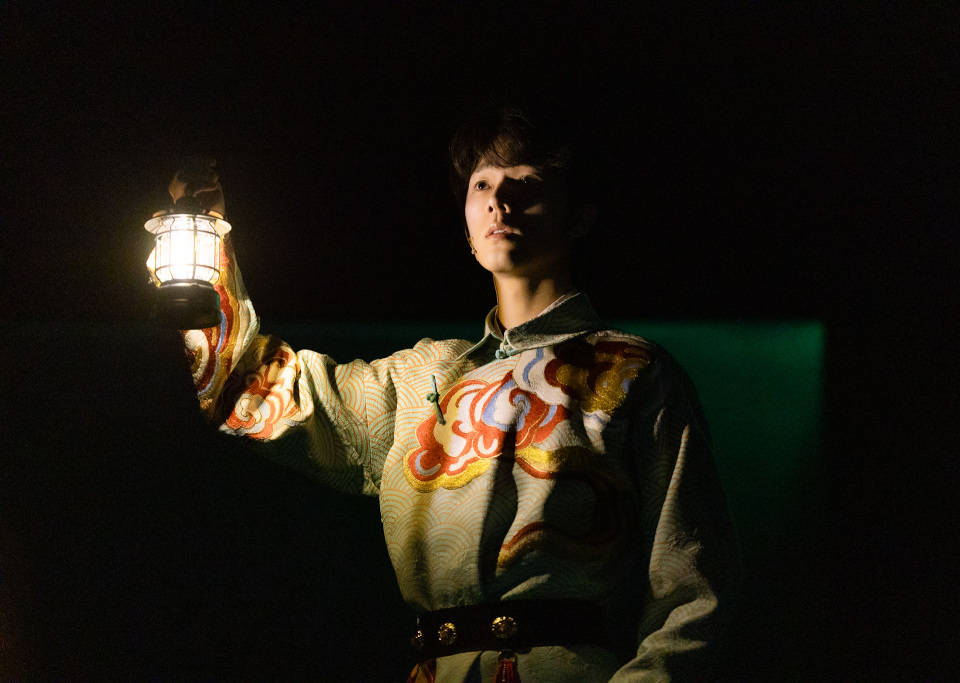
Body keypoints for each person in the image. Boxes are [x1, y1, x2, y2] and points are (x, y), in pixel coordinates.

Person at [153, 103, 739, 682]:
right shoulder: (421, 378)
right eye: (482, 184)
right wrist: (203, 253)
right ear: (466, 223)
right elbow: (257, 388)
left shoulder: (631, 371)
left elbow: (693, 588)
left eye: (526, 182)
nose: (499, 201)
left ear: (578, 215)